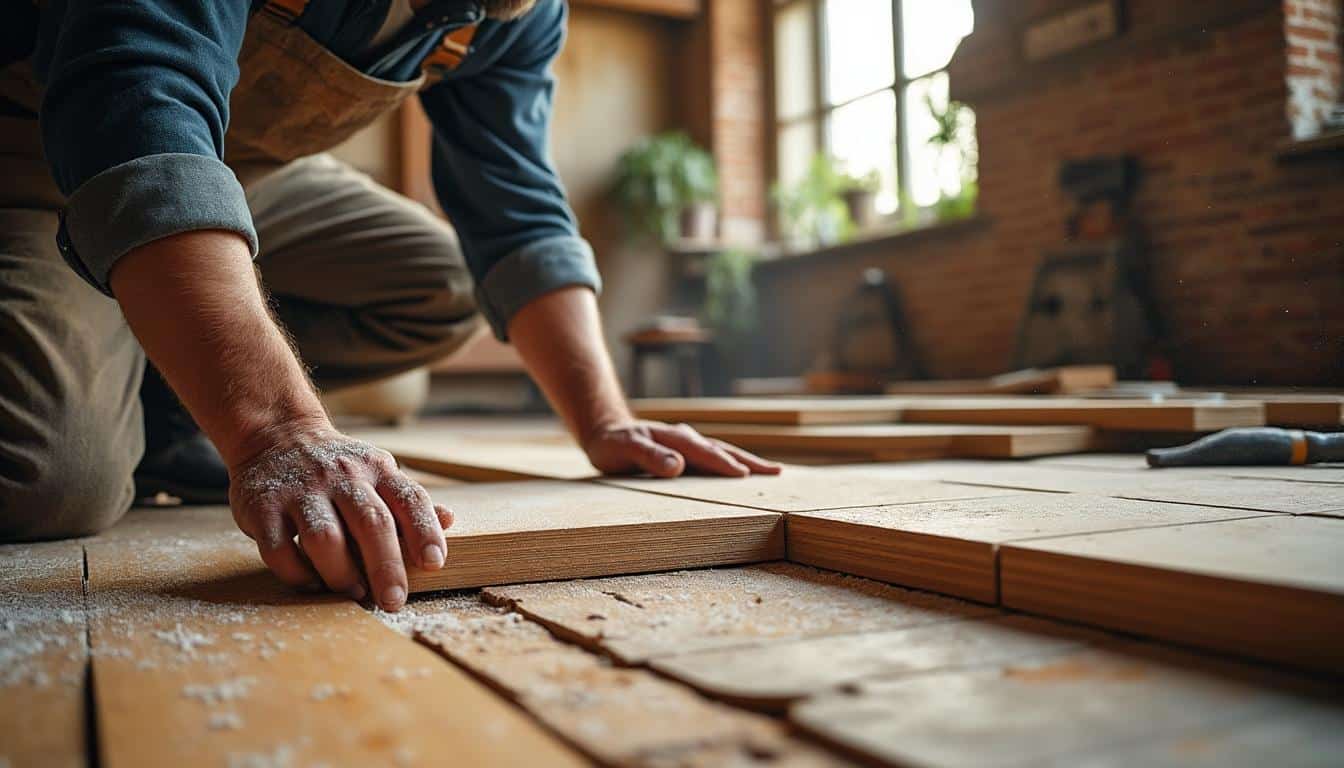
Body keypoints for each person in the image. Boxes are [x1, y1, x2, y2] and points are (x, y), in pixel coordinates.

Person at [0, 0, 779, 612]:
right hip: (54, 142)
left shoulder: (520, 11)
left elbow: (518, 216)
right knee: (51, 482)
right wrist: (278, 431)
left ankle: (168, 403)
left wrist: (606, 420)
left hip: (246, 165)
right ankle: (171, 367)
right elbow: (134, 102)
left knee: (442, 284)